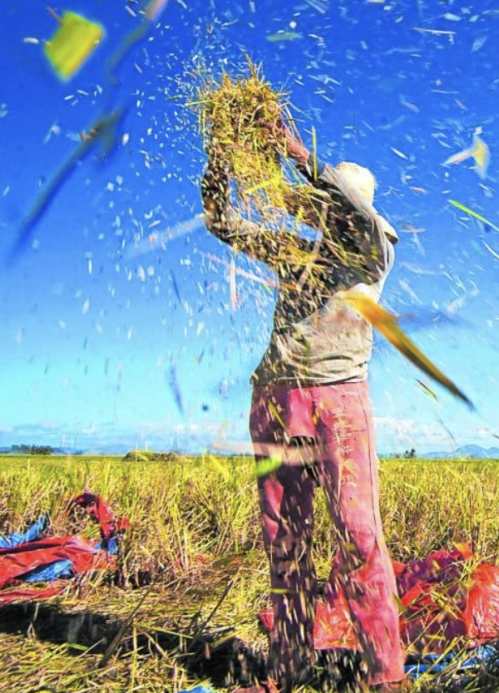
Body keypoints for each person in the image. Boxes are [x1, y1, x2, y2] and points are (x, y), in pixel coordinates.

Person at [201, 120, 406, 693]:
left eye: (330, 202)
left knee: (358, 536)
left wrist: (295, 151)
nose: (325, 214)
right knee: (284, 542)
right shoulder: (297, 252)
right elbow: (221, 221)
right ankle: (287, 670)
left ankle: (385, 678)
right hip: (272, 401)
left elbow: (352, 213)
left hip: (338, 403)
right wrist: (219, 156)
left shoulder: (373, 249)